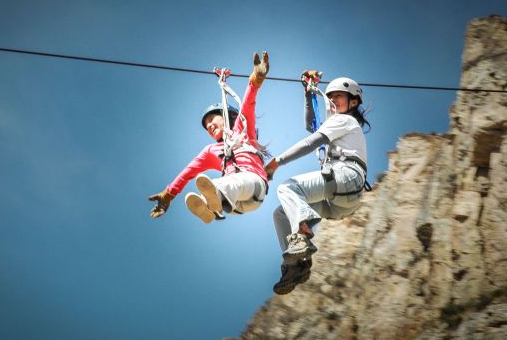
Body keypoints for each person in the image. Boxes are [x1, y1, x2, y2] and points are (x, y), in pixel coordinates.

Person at [264, 71, 371, 295]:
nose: (333, 101)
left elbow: (312, 140)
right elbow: (312, 125)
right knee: (280, 214)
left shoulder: (345, 120)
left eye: (339, 97)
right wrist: (308, 94)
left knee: (287, 187)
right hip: (342, 201)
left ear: (353, 101)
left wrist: (277, 162)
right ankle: (297, 266)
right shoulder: (337, 123)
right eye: (330, 97)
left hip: (346, 178)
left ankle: (301, 235)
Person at [148, 52, 270, 223]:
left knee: (223, 183)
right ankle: (209, 207)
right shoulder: (210, 151)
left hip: (254, 187)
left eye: (212, 120)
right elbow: (188, 172)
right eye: (206, 126)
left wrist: (256, 79)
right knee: (221, 183)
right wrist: (169, 194)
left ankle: (212, 204)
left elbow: (248, 105)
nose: (209, 126)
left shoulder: (242, 130)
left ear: (226, 115)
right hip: (234, 205)